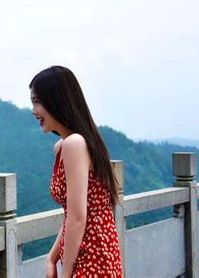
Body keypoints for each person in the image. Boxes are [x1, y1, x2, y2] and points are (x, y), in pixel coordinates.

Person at [29, 66, 122, 277]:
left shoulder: (74, 144)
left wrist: (66, 273)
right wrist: (52, 257)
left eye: (37, 102)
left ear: (56, 100)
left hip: (93, 257)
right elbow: (72, 214)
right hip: (89, 253)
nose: (33, 111)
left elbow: (79, 217)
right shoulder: (64, 146)